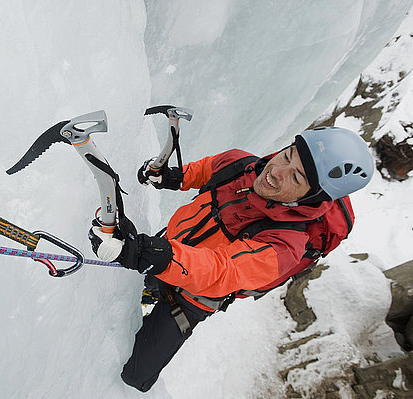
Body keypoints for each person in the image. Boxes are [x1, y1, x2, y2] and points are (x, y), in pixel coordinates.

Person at [88, 126, 374, 392]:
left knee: (135, 376)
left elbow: (220, 271)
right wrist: (174, 177)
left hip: (188, 299)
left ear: (314, 197)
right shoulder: (240, 164)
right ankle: (151, 291)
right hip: (166, 249)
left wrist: (150, 255)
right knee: (148, 280)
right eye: (287, 156)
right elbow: (204, 171)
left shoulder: (285, 246)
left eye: (296, 177)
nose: (277, 171)